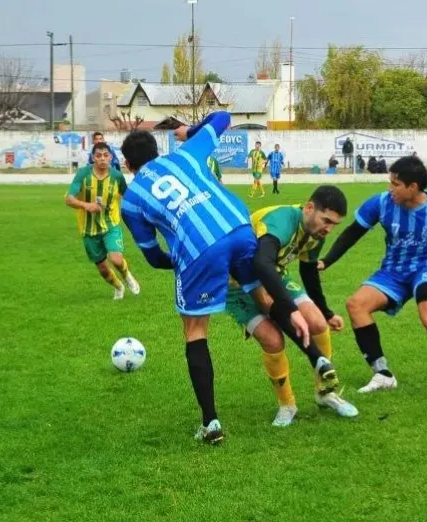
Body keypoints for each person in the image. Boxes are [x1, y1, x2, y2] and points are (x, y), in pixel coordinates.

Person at [118, 112, 340, 445]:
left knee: (195, 332)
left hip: (199, 247)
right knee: (263, 297)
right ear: (158, 150)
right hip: (238, 225)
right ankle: (317, 358)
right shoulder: (186, 152)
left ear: (128, 164)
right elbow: (223, 116)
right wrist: (189, 131)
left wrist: (180, 262)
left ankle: (211, 424)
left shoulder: (131, 201)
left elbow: (152, 255)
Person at [318, 156, 427, 405]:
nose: (390, 188)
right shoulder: (382, 203)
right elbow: (353, 232)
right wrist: (327, 260)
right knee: (356, 305)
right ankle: (382, 374)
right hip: (394, 271)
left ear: (414, 187)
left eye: (395, 184)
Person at [226, 186, 359, 427]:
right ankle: (287, 405)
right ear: (309, 208)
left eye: (334, 225)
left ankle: (325, 393)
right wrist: (290, 309)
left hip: (275, 275)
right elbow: (261, 263)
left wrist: (326, 312)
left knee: (317, 323)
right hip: (237, 285)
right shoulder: (281, 221)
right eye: (326, 220)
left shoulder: (315, 231)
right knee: (273, 340)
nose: (328, 228)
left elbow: (308, 272)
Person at [65, 142, 141, 299]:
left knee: (116, 259)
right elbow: (69, 199)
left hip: (111, 225)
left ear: (111, 157)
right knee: (103, 269)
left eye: (105, 155)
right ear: (93, 158)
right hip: (89, 230)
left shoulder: (117, 176)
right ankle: (118, 287)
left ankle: (127, 277)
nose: (102, 159)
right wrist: (86, 205)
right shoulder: (83, 174)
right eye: (98, 156)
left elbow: (127, 197)